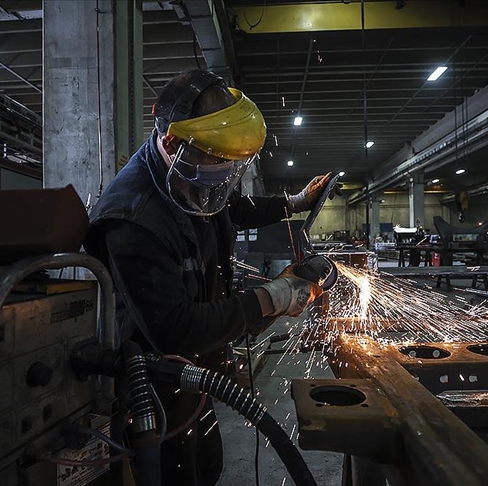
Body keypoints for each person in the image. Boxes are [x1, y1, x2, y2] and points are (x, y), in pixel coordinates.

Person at [83, 69, 338, 485]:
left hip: (200, 374)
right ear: (172, 143)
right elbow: (175, 330)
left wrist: (293, 202)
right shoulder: (131, 221)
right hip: (152, 386)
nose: (223, 171)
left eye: (231, 163)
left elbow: (232, 207)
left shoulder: (192, 173)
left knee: (208, 467)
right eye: (217, 160)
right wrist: (272, 298)